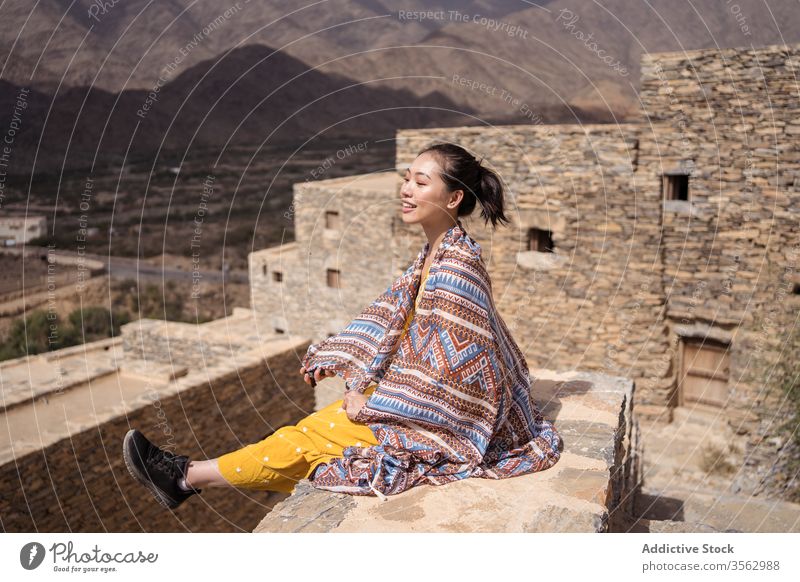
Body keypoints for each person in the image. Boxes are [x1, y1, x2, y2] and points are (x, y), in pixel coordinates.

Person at [123, 143, 558, 509]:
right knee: (306, 431)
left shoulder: (455, 268)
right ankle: (184, 477)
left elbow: (459, 374)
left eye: (421, 183)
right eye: (407, 178)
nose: (406, 190)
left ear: (452, 199)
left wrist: (376, 406)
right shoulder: (437, 253)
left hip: (448, 423)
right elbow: (400, 324)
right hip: (421, 402)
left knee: (308, 441)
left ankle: (184, 477)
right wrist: (350, 360)